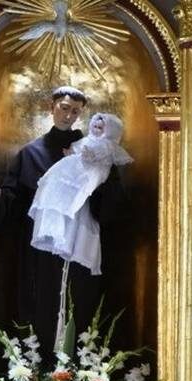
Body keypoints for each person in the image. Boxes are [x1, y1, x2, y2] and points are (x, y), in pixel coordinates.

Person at [0, 87, 127, 359]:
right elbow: (17, 204)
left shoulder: (93, 151)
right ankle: (38, 371)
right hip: (41, 253)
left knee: (79, 303)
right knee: (41, 304)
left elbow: (112, 202)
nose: (69, 115)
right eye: (64, 108)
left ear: (82, 114)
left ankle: (81, 376)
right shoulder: (30, 154)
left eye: (76, 111)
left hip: (80, 245)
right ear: (51, 108)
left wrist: (91, 177)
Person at [28, 112, 132, 275]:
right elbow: (77, 149)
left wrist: (87, 155)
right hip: (79, 170)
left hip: (94, 173)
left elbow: (97, 157)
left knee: (83, 189)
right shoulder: (86, 140)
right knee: (58, 180)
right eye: (95, 126)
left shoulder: (107, 145)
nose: (97, 130)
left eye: (101, 128)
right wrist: (72, 152)